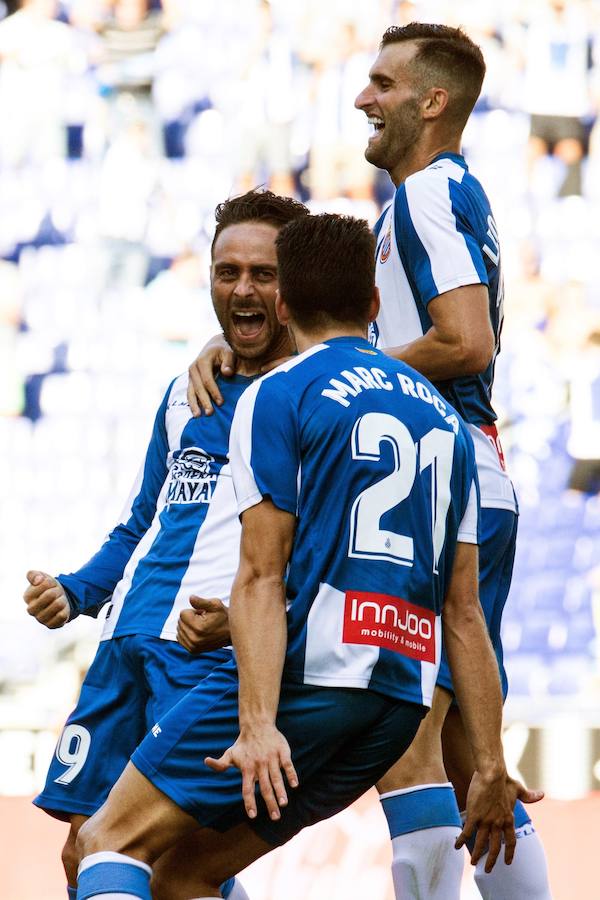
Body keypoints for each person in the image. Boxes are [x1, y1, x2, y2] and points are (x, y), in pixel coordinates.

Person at [186, 22, 552, 900]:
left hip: (431, 481)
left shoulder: (425, 195)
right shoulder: (446, 195)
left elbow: (465, 342)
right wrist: (253, 351)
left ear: (432, 101)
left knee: (410, 742)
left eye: (382, 84)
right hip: (462, 474)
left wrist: (332, 376)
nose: (361, 98)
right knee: (469, 760)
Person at [73, 212, 539, 900]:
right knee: (185, 874)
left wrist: (257, 725)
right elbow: (463, 612)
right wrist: (491, 762)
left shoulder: (276, 393)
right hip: (396, 706)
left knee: (107, 840)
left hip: (308, 686)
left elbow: (261, 576)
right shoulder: (446, 422)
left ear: (284, 302)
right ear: (375, 305)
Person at [23, 188, 309, 900]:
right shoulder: (187, 391)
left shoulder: (311, 392)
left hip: (200, 654)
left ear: (295, 285)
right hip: (124, 642)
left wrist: (247, 626)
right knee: (80, 853)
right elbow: (141, 519)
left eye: (264, 274)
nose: (242, 288)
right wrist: (78, 589)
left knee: (167, 860)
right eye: (227, 271)